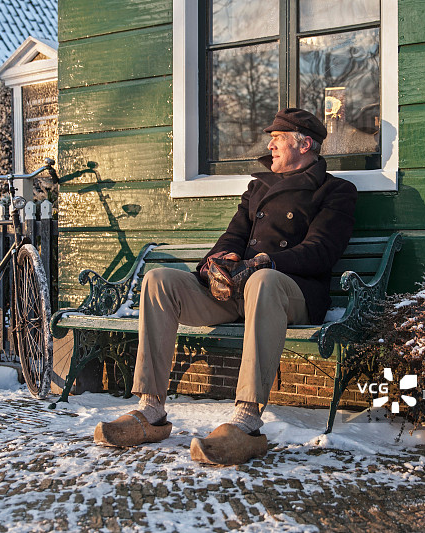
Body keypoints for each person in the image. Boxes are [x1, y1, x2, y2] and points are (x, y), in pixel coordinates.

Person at [94, 108, 358, 465]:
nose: (270, 145)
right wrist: (216, 263)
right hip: (238, 289)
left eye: (278, 138)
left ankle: (246, 421)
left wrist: (266, 261)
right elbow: (233, 236)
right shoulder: (259, 187)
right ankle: (150, 409)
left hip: (290, 291)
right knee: (159, 279)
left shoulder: (336, 191)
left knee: (263, 280)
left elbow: (322, 251)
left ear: (305, 143)